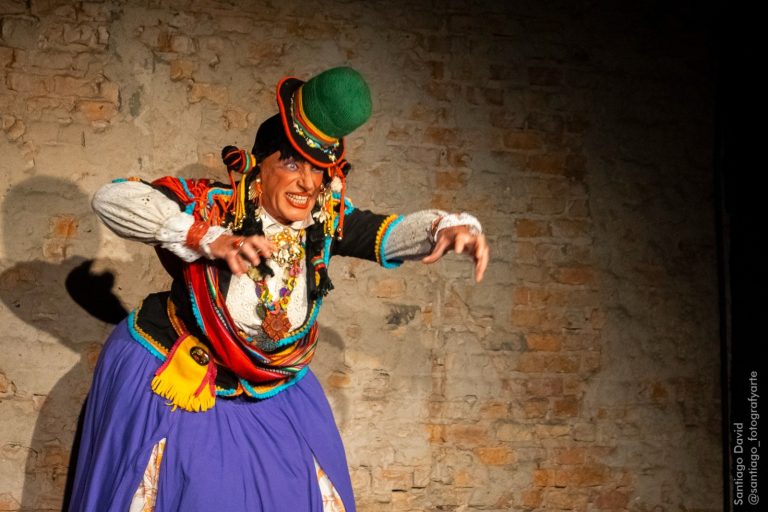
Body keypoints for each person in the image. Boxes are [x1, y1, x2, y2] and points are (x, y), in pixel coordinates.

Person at [67, 67, 489, 512]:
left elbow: (387, 233)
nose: (307, 182)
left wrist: (445, 227)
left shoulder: (322, 221)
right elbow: (112, 199)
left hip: (272, 382)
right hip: (187, 373)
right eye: (291, 164)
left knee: (308, 487)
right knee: (195, 490)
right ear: (258, 167)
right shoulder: (217, 206)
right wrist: (205, 237)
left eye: (318, 169)